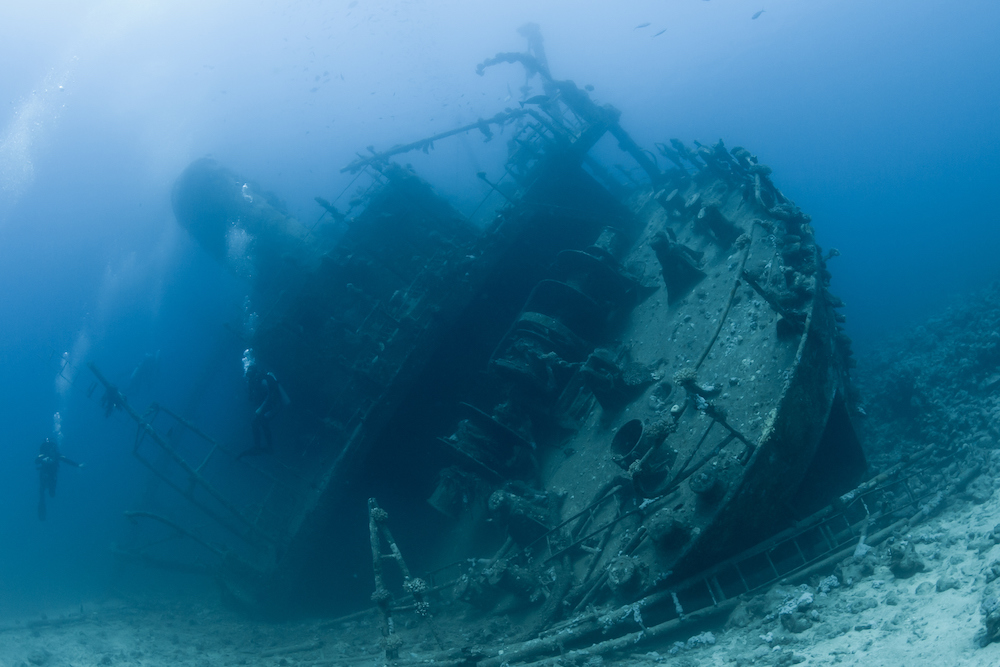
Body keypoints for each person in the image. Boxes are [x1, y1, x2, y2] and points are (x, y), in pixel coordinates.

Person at [240, 349, 289, 458]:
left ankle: (264, 448)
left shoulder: (262, 380)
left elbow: (271, 395)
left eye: (249, 374)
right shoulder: (255, 382)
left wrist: (260, 409)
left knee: (259, 421)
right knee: (258, 422)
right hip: (271, 405)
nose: (248, 377)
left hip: (276, 405)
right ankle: (263, 447)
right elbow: (254, 398)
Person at [36, 438, 83, 520]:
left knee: (52, 494)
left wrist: (78, 465)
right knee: (42, 493)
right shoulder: (43, 455)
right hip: (44, 476)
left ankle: (43, 506)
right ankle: (42, 512)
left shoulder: (57, 455)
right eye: (52, 450)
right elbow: (36, 461)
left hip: (52, 477)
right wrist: (43, 460)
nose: (53, 451)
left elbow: (67, 460)